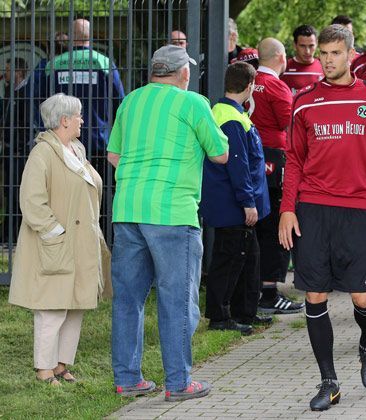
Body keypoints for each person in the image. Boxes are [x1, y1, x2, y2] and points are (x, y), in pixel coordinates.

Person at [279, 24, 366, 411]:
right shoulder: (304, 100)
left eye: (334, 53)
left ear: (350, 55)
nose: (327, 60)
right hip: (312, 208)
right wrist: (287, 209)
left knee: (363, 296)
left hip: (358, 209)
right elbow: (294, 159)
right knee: (315, 293)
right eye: (322, 54)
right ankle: (329, 381)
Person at [107, 45, 229, 401]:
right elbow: (220, 153)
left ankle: (128, 379)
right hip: (173, 214)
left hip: (128, 208)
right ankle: (178, 383)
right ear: (184, 74)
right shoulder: (193, 103)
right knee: (177, 300)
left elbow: (114, 155)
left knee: (128, 299)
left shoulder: (131, 101)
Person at [8, 93, 111, 386]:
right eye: (78, 115)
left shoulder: (76, 149)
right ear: (64, 120)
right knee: (51, 308)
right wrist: (56, 232)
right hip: (55, 243)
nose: (82, 120)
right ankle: (43, 369)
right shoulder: (42, 153)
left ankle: (61, 365)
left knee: (75, 304)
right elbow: (31, 201)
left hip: (81, 242)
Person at [200, 62, 271, 335]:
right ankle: (220, 316)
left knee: (248, 257)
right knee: (229, 259)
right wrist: (248, 201)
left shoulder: (224, 112)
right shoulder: (231, 117)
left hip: (230, 201)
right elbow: (238, 164)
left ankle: (245, 312)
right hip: (233, 204)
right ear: (250, 86)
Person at [249, 38, 304, 315]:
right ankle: (269, 292)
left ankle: (255, 288)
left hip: (251, 159)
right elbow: (291, 124)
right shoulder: (277, 87)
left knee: (255, 226)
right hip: (274, 161)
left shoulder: (250, 81)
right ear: (282, 58)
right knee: (275, 226)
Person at [45, 19, 125, 175]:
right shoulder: (104, 63)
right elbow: (120, 102)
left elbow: (41, 99)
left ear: (70, 36)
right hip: (99, 140)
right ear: (90, 35)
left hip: (63, 141)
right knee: (99, 190)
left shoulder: (54, 64)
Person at [2, 58, 30, 242]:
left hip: (19, 152)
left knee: (16, 192)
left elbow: (25, 125)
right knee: (10, 192)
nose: (5, 74)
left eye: (8, 70)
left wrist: (19, 147)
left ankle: (12, 236)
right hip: (11, 150)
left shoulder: (26, 95)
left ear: (18, 72)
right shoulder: (12, 93)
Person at [280, 25, 323, 94]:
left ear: (317, 44)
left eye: (311, 46)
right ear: (295, 45)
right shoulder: (283, 68)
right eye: (302, 46)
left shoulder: (325, 67)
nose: (307, 51)